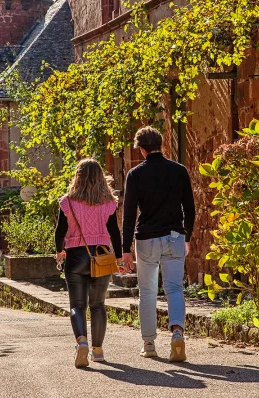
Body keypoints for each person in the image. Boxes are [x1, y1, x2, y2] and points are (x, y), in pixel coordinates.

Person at [122, 126, 195, 362]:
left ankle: (149, 343)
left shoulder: (135, 174)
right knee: (174, 287)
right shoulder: (179, 170)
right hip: (174, 235)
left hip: (147, 238)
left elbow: (129, 214)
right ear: (161, 144)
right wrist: (187, 237)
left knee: (148, 292)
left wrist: (125, 249)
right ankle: (176, 333)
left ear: (141, 149)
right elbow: (190, 209)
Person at [54, 158, 124, 368]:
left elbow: (60, 232)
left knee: (77, 305)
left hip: (75, 257)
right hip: (101, 257)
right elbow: (114, 232)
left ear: (78, 177)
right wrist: (119, 257)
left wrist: (59, 252)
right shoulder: (108, 203)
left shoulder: (68, 202)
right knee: (98, 305)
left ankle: (81, 341)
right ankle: (98, 351)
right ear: (101, 178)